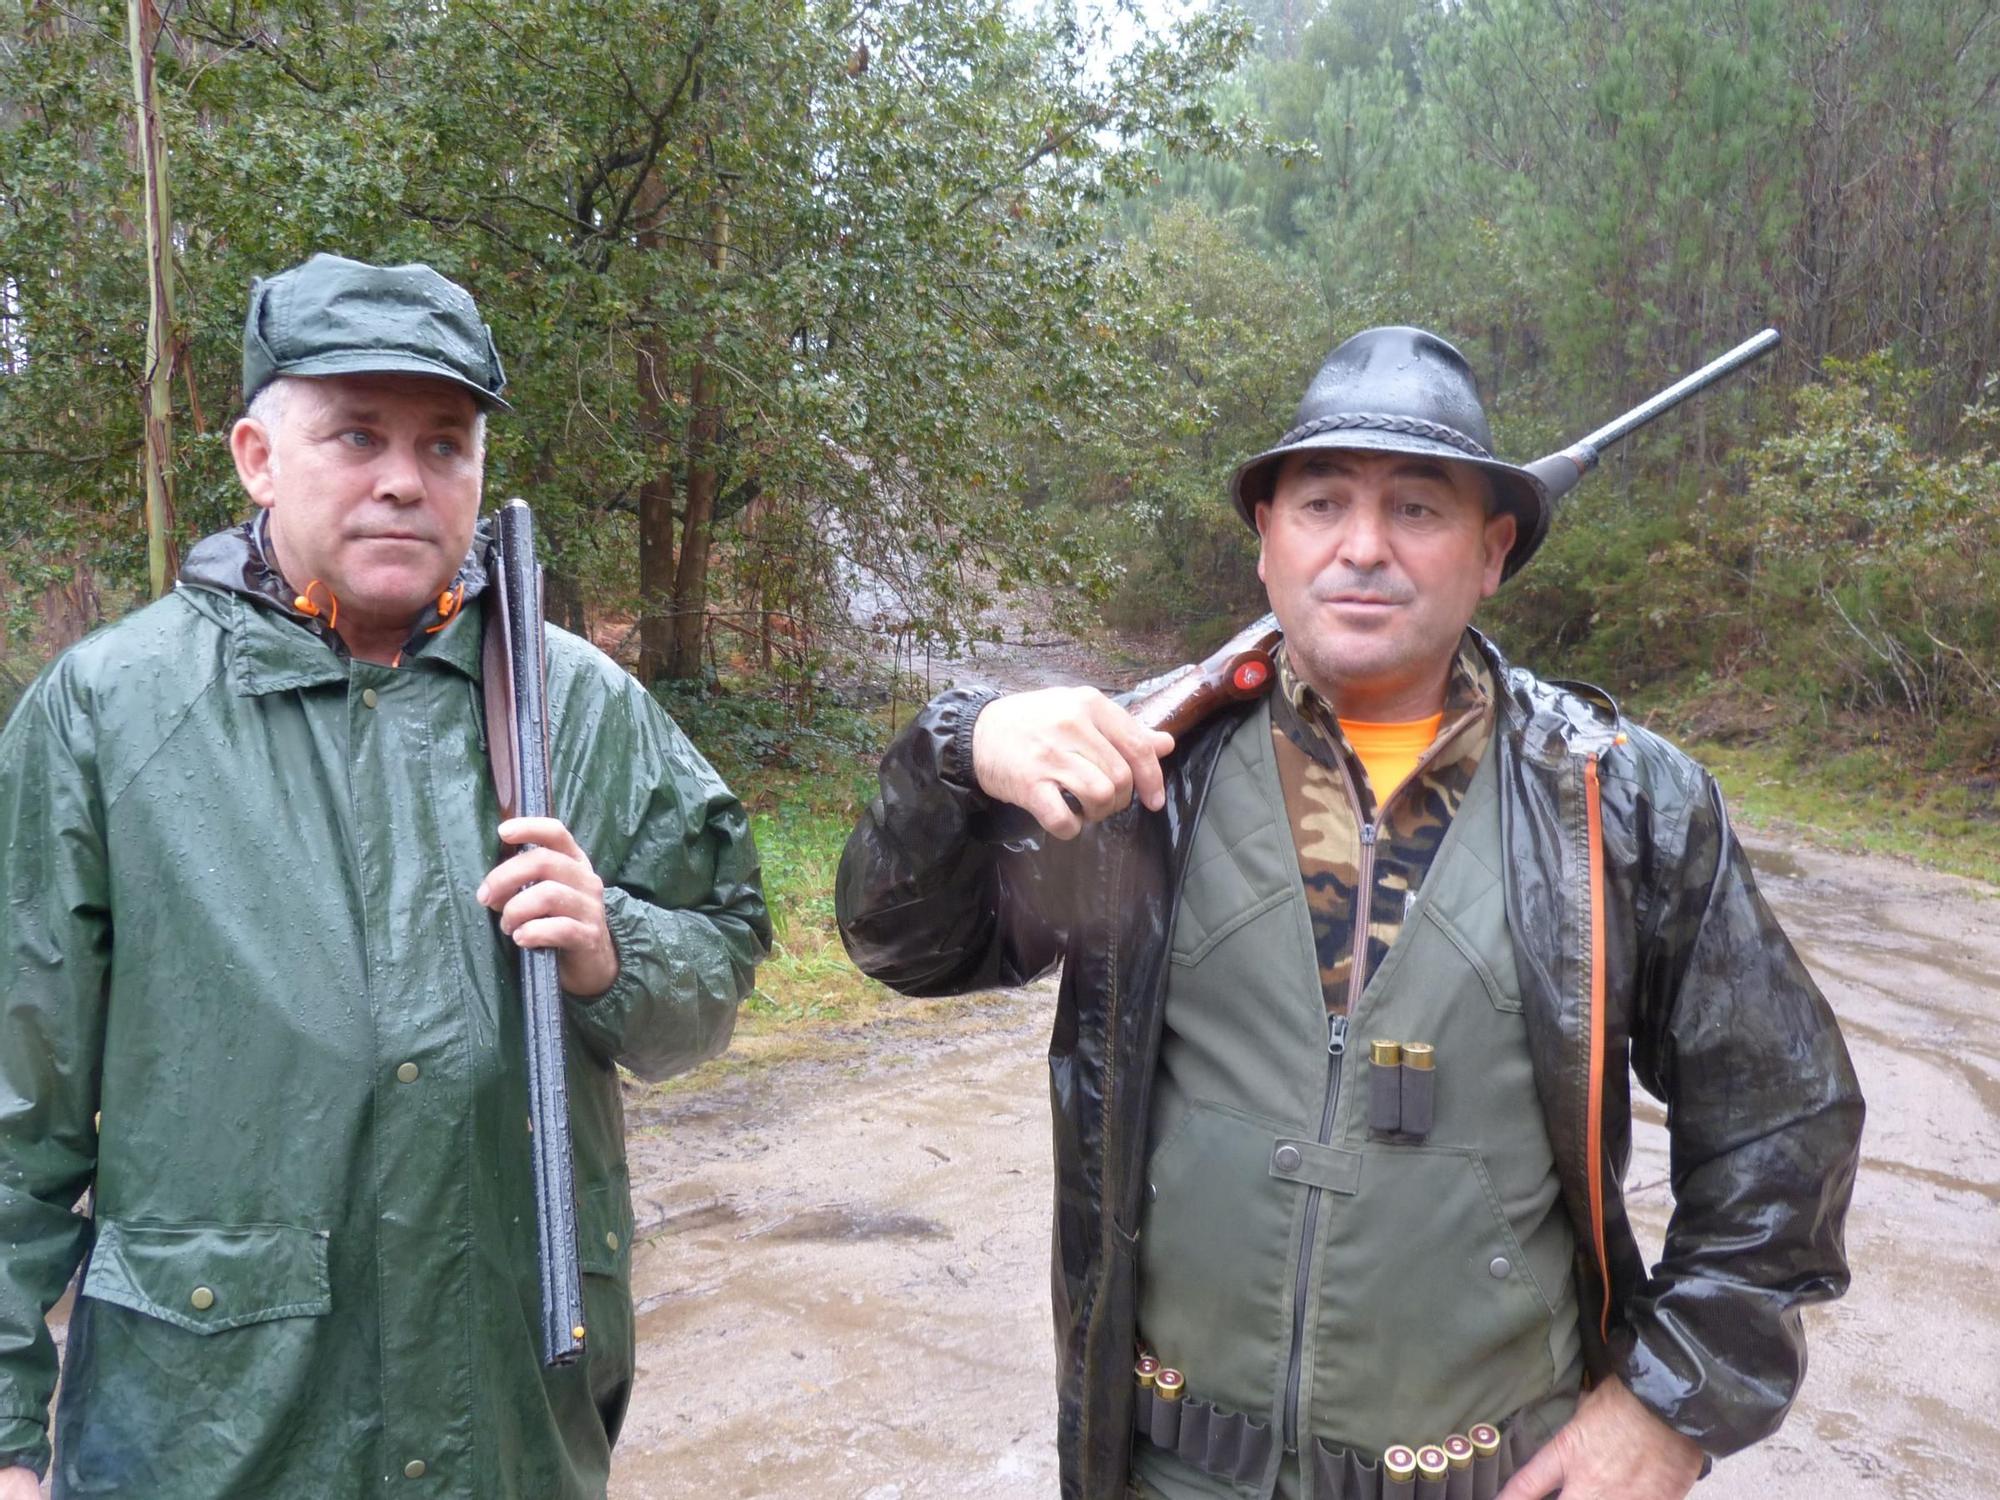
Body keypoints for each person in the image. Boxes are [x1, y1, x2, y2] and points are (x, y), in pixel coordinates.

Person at [836, 327, 1863, 1500]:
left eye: (1417, 510)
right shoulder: (1140, 771)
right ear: (1265, 543)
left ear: (1491, 553)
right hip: (1170, 1476)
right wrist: (960, 750)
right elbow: (905, 942)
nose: (1361, 548)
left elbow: (1787, 1116)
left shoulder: (1618, 801)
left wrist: (1671, 1404)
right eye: (1320, 503)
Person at [0, 253, 770, 1498]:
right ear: (257, 455)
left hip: (506, 1420)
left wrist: (611, 949)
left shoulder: (581, 707)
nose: (404, 480)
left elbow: (717, 974)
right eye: (356, 435)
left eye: (445, 443)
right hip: (209, 1430)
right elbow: (13, 1111)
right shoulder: (106, 713)